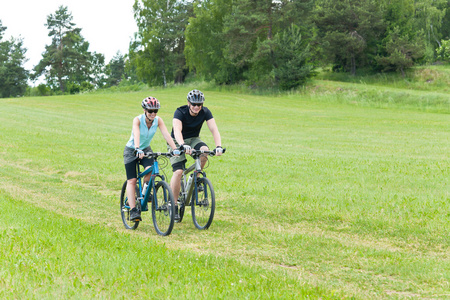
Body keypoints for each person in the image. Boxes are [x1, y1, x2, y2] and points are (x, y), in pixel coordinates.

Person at [168, 89, 223, 221]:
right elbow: (177, 130)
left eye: (199, 104)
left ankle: (196, 178)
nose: (197, 107)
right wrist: (182, 145)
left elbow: (214, 129)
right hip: (176, 141)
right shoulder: (180, 112)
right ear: (188, 103)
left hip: (193, 139)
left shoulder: (205, 112)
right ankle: (173, 205)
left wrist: (219, 146)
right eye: (194, 104)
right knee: (179, 171)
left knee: (205, 151)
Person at [124, 97, 179, 222]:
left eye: (155, 111)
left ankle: (145, 191)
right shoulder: (137, 120)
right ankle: (133, 210)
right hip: (132, 150)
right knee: (132, 180)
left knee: (151, 170)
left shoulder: (158, 121)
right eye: (150, 111)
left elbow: (166, 134)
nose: (153, 114)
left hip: (146, 149)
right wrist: (137, 149)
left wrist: (175, 148)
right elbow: (136, 134)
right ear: (144, 110)